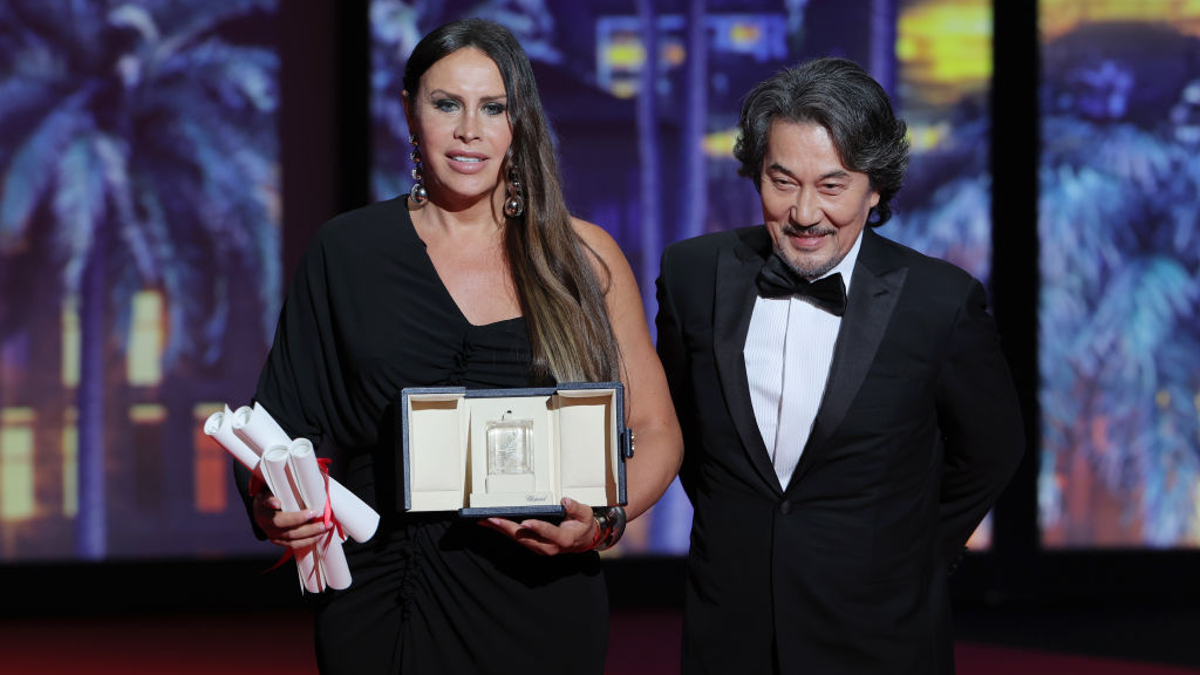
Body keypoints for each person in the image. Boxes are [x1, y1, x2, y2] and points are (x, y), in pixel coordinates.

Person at [235, 18, 682, 675]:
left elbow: (656, 429)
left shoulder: (583, 257)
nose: (470, 130)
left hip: (545, 603)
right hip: (388, 605)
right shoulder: (348, 251)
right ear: (411, 114)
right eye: (447, 104)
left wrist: (604, 524)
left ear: (519, 121)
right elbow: (279, 425)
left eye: (493, 107)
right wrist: (270, 504)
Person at [655, 56, 1024, 674]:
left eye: (832, 185)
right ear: (755, 174)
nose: (804, 213)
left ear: (874, 187)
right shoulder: (693, 274)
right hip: (731, 627)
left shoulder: (940, 301)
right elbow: (679, 429)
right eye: (783, 181)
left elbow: (993, 449)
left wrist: (908, 553)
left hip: (879, 632)